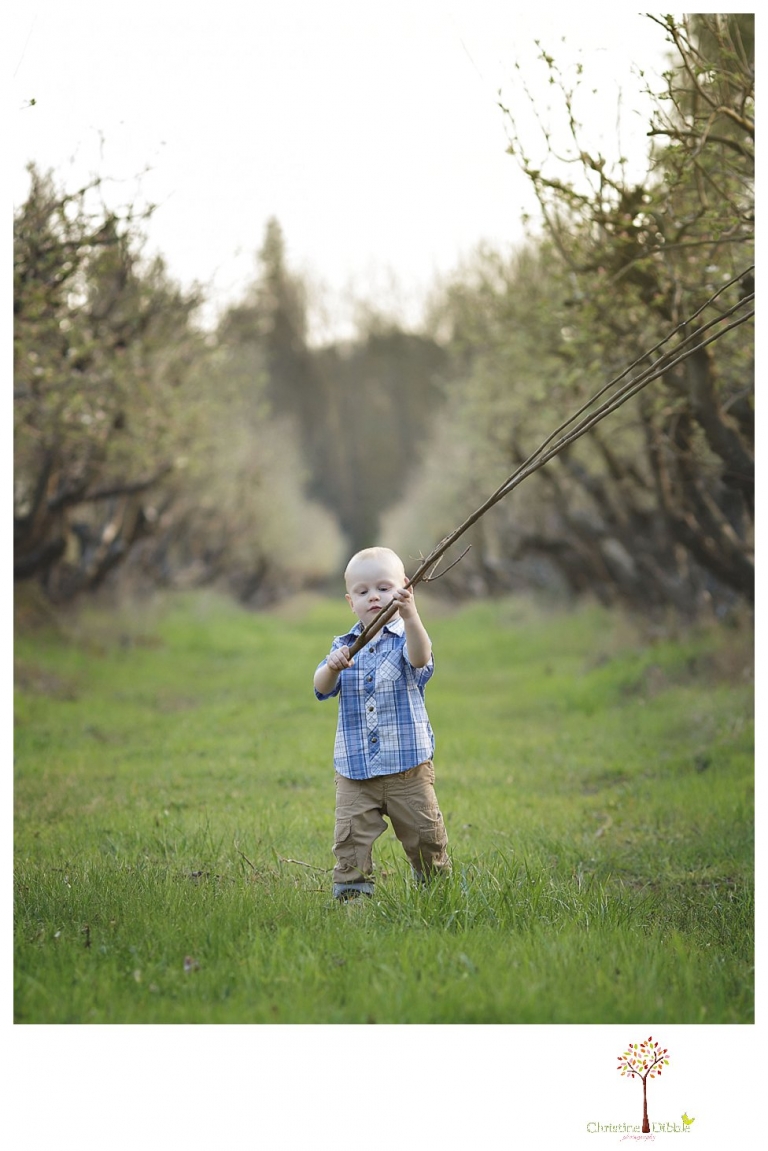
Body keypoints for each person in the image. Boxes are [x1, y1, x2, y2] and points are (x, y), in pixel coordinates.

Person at [314, 546, 451, 900]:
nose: (374, 597)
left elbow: (421, 658)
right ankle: (352, 897)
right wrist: (331, 666)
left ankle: (435, 890)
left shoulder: (407, 637)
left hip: (408, 770)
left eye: (384, 588)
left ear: (404, 588)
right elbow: (320, 687)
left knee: (424, 835)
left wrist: (412, 616)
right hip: (356, 772)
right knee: (350, 839)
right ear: (350, 602)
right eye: (363, 592)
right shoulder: (344, 647)